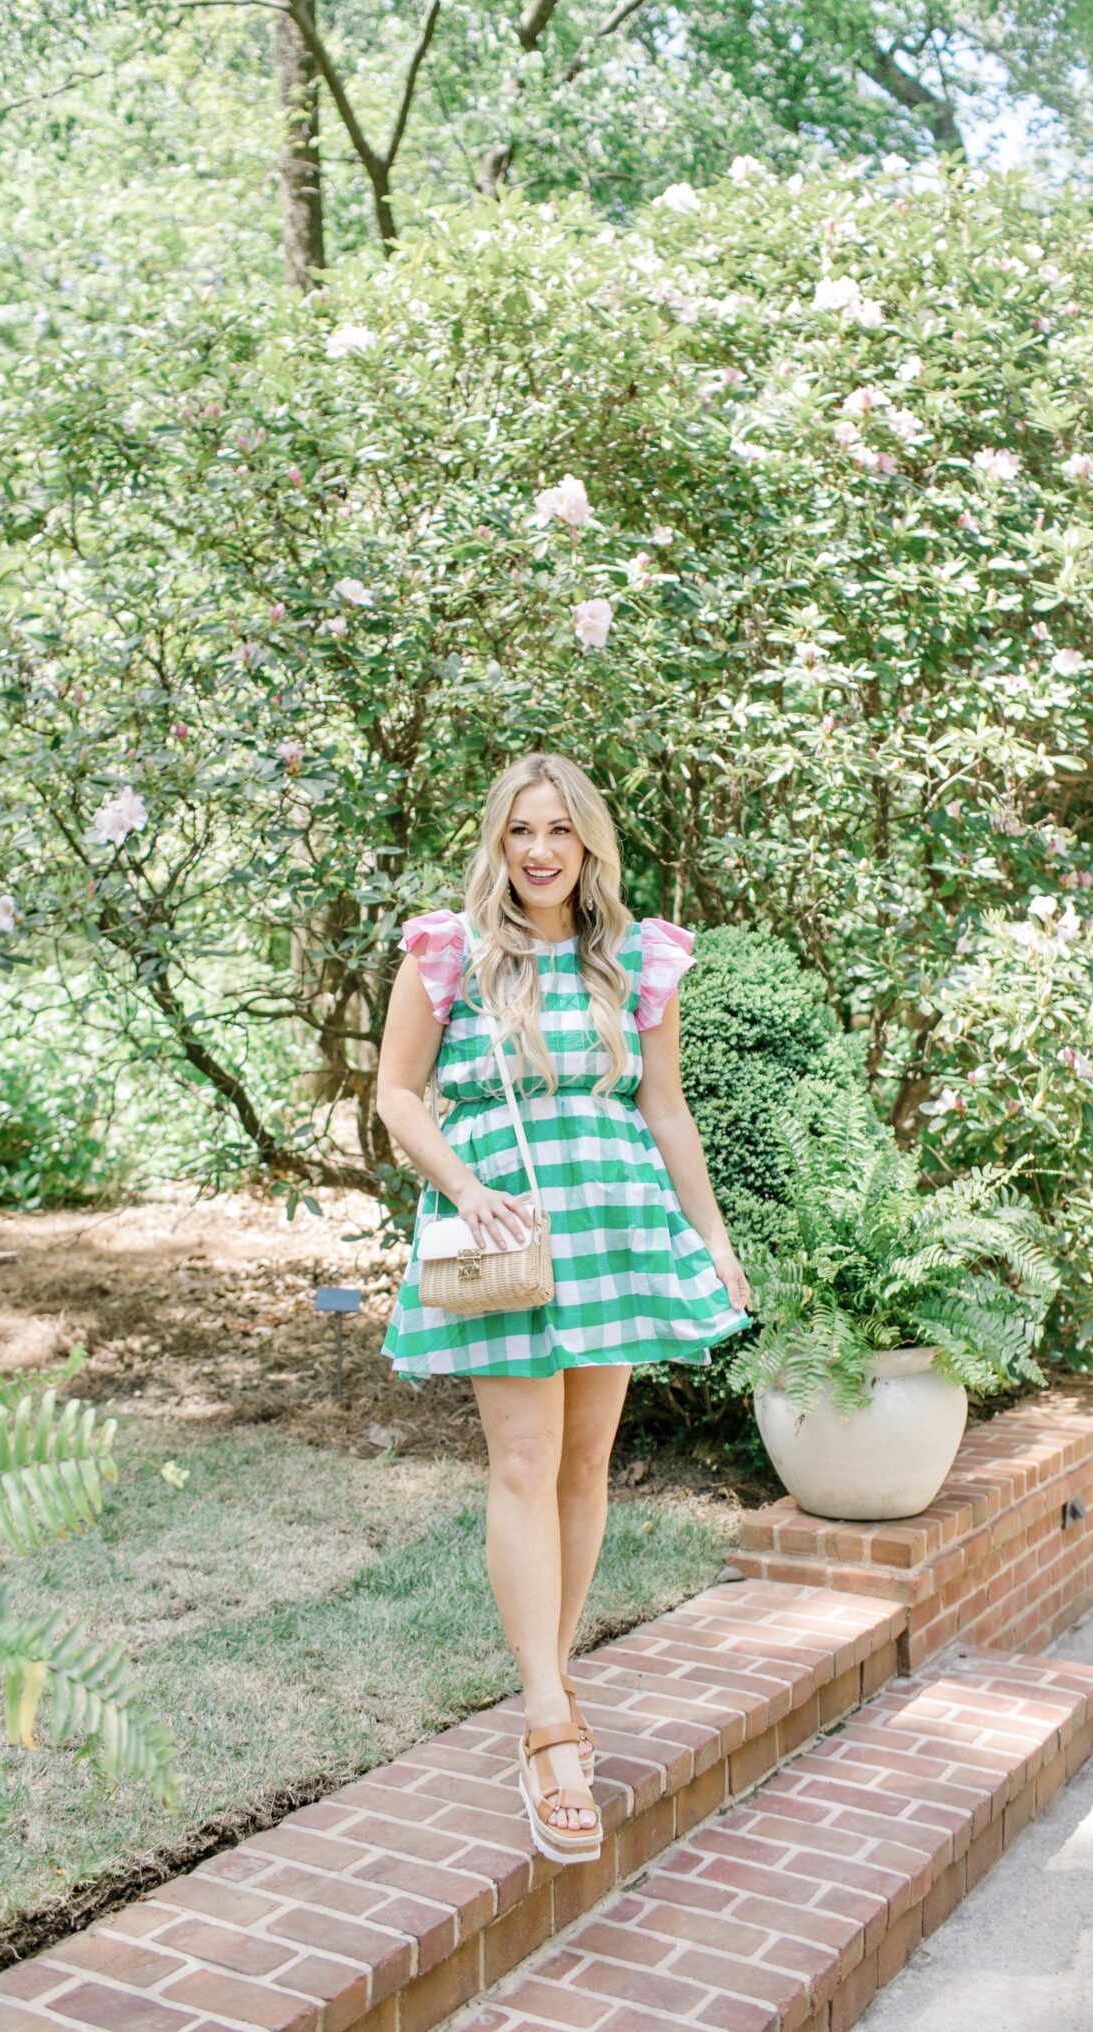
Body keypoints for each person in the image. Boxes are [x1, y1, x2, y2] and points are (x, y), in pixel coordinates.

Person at [375, 751, 752, 1866]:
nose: (539, 850)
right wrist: (461, 1183)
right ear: (495, 842)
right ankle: (548, 1724)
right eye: (519, 831)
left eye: (560, 831)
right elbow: (397, 1092)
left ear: (589, 844)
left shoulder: (639, 958)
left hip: (617, 1219)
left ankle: (554, 1672)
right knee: (523, 1463)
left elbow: (666, 1108)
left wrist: (713, 1233)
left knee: (586, 1467)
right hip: (506, 1227)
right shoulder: (447, 953)